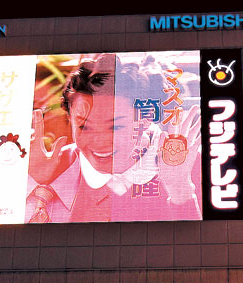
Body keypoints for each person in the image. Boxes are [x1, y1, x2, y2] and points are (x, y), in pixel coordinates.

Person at [26, 53, 202, 224]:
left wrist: (181, 191)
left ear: (146, 118)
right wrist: (32, 182)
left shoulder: (187, 163)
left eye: (116, 127)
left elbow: (202, 248)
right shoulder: (56, 165)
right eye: (84, 126)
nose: (99, 142)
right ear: (70, 119)